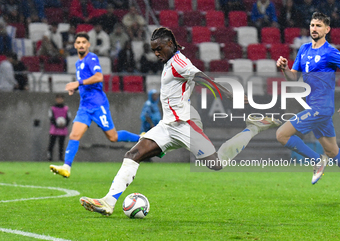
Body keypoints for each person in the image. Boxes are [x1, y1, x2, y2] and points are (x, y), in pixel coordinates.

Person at [79, 27, 281, 216]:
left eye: (159, 49)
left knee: (216, 164)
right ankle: (108, 202)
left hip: (185, 125)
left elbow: (202, 78)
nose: (156, 53)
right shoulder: (168, 62)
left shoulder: (179, 62)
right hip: (167, 126)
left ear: (170, 44)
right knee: (133, 154)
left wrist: (229, 94)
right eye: (153, 50)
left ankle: (253, 128)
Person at [50, 32, 140, 178]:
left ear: (88, 45)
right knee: (74, 135)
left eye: (83, 42)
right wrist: (76, 88)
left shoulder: (91, 58)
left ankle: (141, 138)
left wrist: (77, 83)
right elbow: (87, 81)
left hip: (98, 104)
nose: (81, 45)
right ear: (75, 45)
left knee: (113, 137)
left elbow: (99, 77)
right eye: (78, 42)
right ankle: (67, 167)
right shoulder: (78, 63)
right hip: (84, 106)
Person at [276, 12, 340, 185]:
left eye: (318, 26)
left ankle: (317, 160)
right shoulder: (304, 49)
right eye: (312, 25)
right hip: (313, 107)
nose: (314, 28)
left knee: (281, 134)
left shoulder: (331, 52)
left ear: (327, 29)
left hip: (321, 108)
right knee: (333, 152)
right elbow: (293, 77)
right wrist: (284, 68)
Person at [47, 94, 71, 162]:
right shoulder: (52, 108)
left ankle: (60, 158)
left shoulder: (66, 108)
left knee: (61, 145)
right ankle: (50, 157)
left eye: (61, 99)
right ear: (56, 99)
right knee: (51, 143)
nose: (59, 100)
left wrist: (64, 124)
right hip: (54, 129)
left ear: (63, 99)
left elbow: (68, 118)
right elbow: (51, 117)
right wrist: (57, 124)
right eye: (58, 98)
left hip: (63, 130)